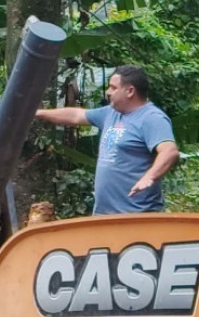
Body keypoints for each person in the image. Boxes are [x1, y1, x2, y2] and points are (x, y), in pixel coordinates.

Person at [35, 65, 180, 214]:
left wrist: (149, 177)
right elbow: (76, 115)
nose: (108, 92)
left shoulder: (151, 118)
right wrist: (38, 113)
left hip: (137, 215)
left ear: (130, 91)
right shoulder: (110, 113)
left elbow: (169, 151)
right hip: (104, 215)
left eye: (113, 88)